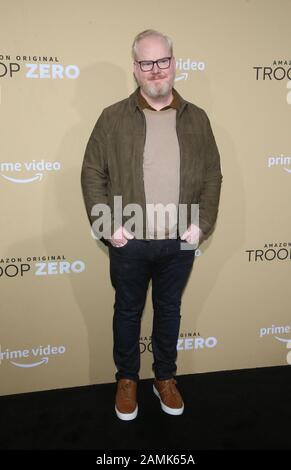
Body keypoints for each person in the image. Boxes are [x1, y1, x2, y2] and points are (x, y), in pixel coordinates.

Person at [81, 29, 222, 421]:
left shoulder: (198, 119)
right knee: (127, 311)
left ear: (174, 64)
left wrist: (203, 223)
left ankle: (165, 378)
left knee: (169, 310)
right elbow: (93, 172)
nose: (156, 70)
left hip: (179, 241)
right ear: (136, 69)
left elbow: (212, 175)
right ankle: (127, 379)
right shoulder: (112, 118)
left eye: (163, 61)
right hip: (129, 241)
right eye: (147, 62)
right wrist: (107, 223)